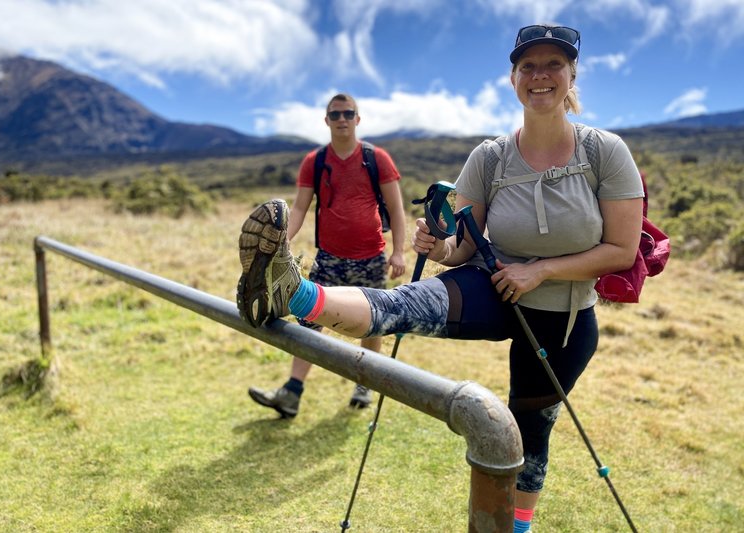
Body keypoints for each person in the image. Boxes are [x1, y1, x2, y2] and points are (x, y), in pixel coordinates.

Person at [237, 25, 643, 533]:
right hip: (494, 285)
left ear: (571, 74)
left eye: (553, 65)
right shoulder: (490, 157)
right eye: (528, 67)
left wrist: (540, 270)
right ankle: (291, 291)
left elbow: (621, 251)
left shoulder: (604, 152)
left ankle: (516, 528)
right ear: (513, 78)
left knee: (530, 432)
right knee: (404, 304)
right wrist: (438, 246)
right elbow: (463, 248)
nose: (540, 76)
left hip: (563, 316)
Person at [244, 93, 407, 419]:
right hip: (329, 258)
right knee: (309, 320)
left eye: (348, 113)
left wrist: (399, 251)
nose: (342, 119)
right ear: (327, 120)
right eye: (336, 114)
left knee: (372, 324)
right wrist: (279, 243)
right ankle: (291, 393)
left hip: (372, 258)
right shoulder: (315, 162)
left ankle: (365, 385)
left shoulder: (377, 158)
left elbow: (396, 208)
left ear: (358, 119)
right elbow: (301, 207)